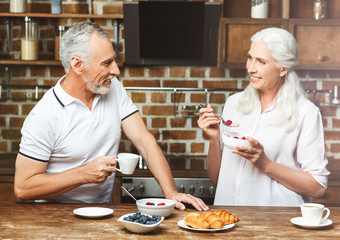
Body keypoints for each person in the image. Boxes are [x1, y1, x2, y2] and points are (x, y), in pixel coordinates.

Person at [14, 22, 208, 211]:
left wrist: (171, 192)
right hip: (55, 219)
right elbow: (22, 188)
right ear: (77, 64)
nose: (116, 70)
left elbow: (144, 140)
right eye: (107, 63)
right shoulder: (45, 115)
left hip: (103, 213)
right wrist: (82, 175)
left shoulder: (112, 88)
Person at [198, 27, 329, 206]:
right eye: (250, 58)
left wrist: (265, 164)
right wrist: (214, 139)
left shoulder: (305, 112)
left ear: (283, 68)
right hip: (229, 220)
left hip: (275, 224)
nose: (251, 68)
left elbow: (318, 188)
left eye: (261, 61)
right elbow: (215, 177)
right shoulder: (233, 104)